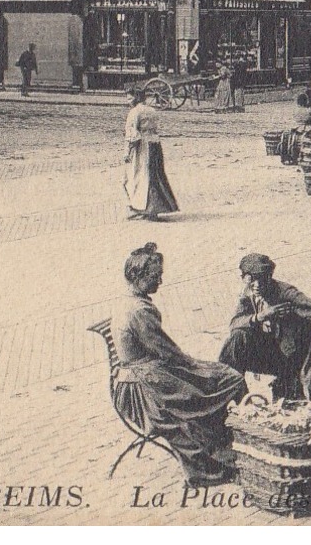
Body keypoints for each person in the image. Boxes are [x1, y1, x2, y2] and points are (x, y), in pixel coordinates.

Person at [113, 243, 246, 488]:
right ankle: (216, 462)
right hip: (144, 391)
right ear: (137, 276)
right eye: (156, 276)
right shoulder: (138, 311)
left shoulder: (130, 301)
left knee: (216, 380)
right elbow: (168, 352)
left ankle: (227, 447)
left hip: (149, 375)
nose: (160, 281)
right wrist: (199, 368)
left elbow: (165, 352)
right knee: (222, 384)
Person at [218, 253, 311, 403]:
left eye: (262, 278)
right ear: (244, 278)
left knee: (298, 401)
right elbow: (235, 323)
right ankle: (237, 397)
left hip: (294, 356)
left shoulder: (286, 294)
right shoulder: (249, 293)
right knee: (236, 338)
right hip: (272, 351)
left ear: (269, 277)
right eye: (251, 279)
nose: (257, 285)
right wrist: (261, 316)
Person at [123, 87, 179, 220]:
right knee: (155, 175)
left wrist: (128, 152)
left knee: (140, 176)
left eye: (130, 98)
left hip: (142, 146)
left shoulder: (134, 112)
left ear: (136, 98)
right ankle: (154, 207)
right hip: (155, 144)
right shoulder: (152, 110)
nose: (128, 101)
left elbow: (133, 134)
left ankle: (146, 208)